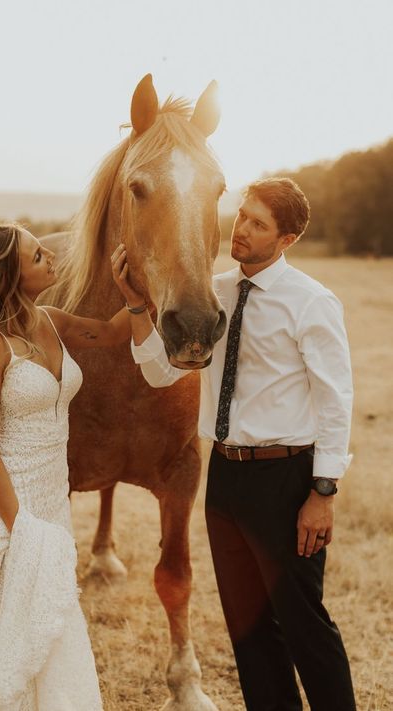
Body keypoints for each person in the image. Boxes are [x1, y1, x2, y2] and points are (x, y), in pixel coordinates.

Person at [111, 177, 357, 711]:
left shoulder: (311, 302)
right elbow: (158, 373)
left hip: (287, 480)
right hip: (224, 479)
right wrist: (136, 307)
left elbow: (336, 401)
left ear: (286, 239)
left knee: (303, 627)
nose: (240, 229)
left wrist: (323, 491)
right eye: (241, 215)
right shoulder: (213, 296)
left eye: (258, 224)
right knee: (249, 632)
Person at [0, 224, 133, 710]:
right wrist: (23, 531)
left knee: (51, 619)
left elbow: (113, 333)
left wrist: (140, 291)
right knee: (7, 621)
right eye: (35, 257)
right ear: (2, 280)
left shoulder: (50, 320)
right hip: (8, 503)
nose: (50, 256)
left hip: (52, 498)